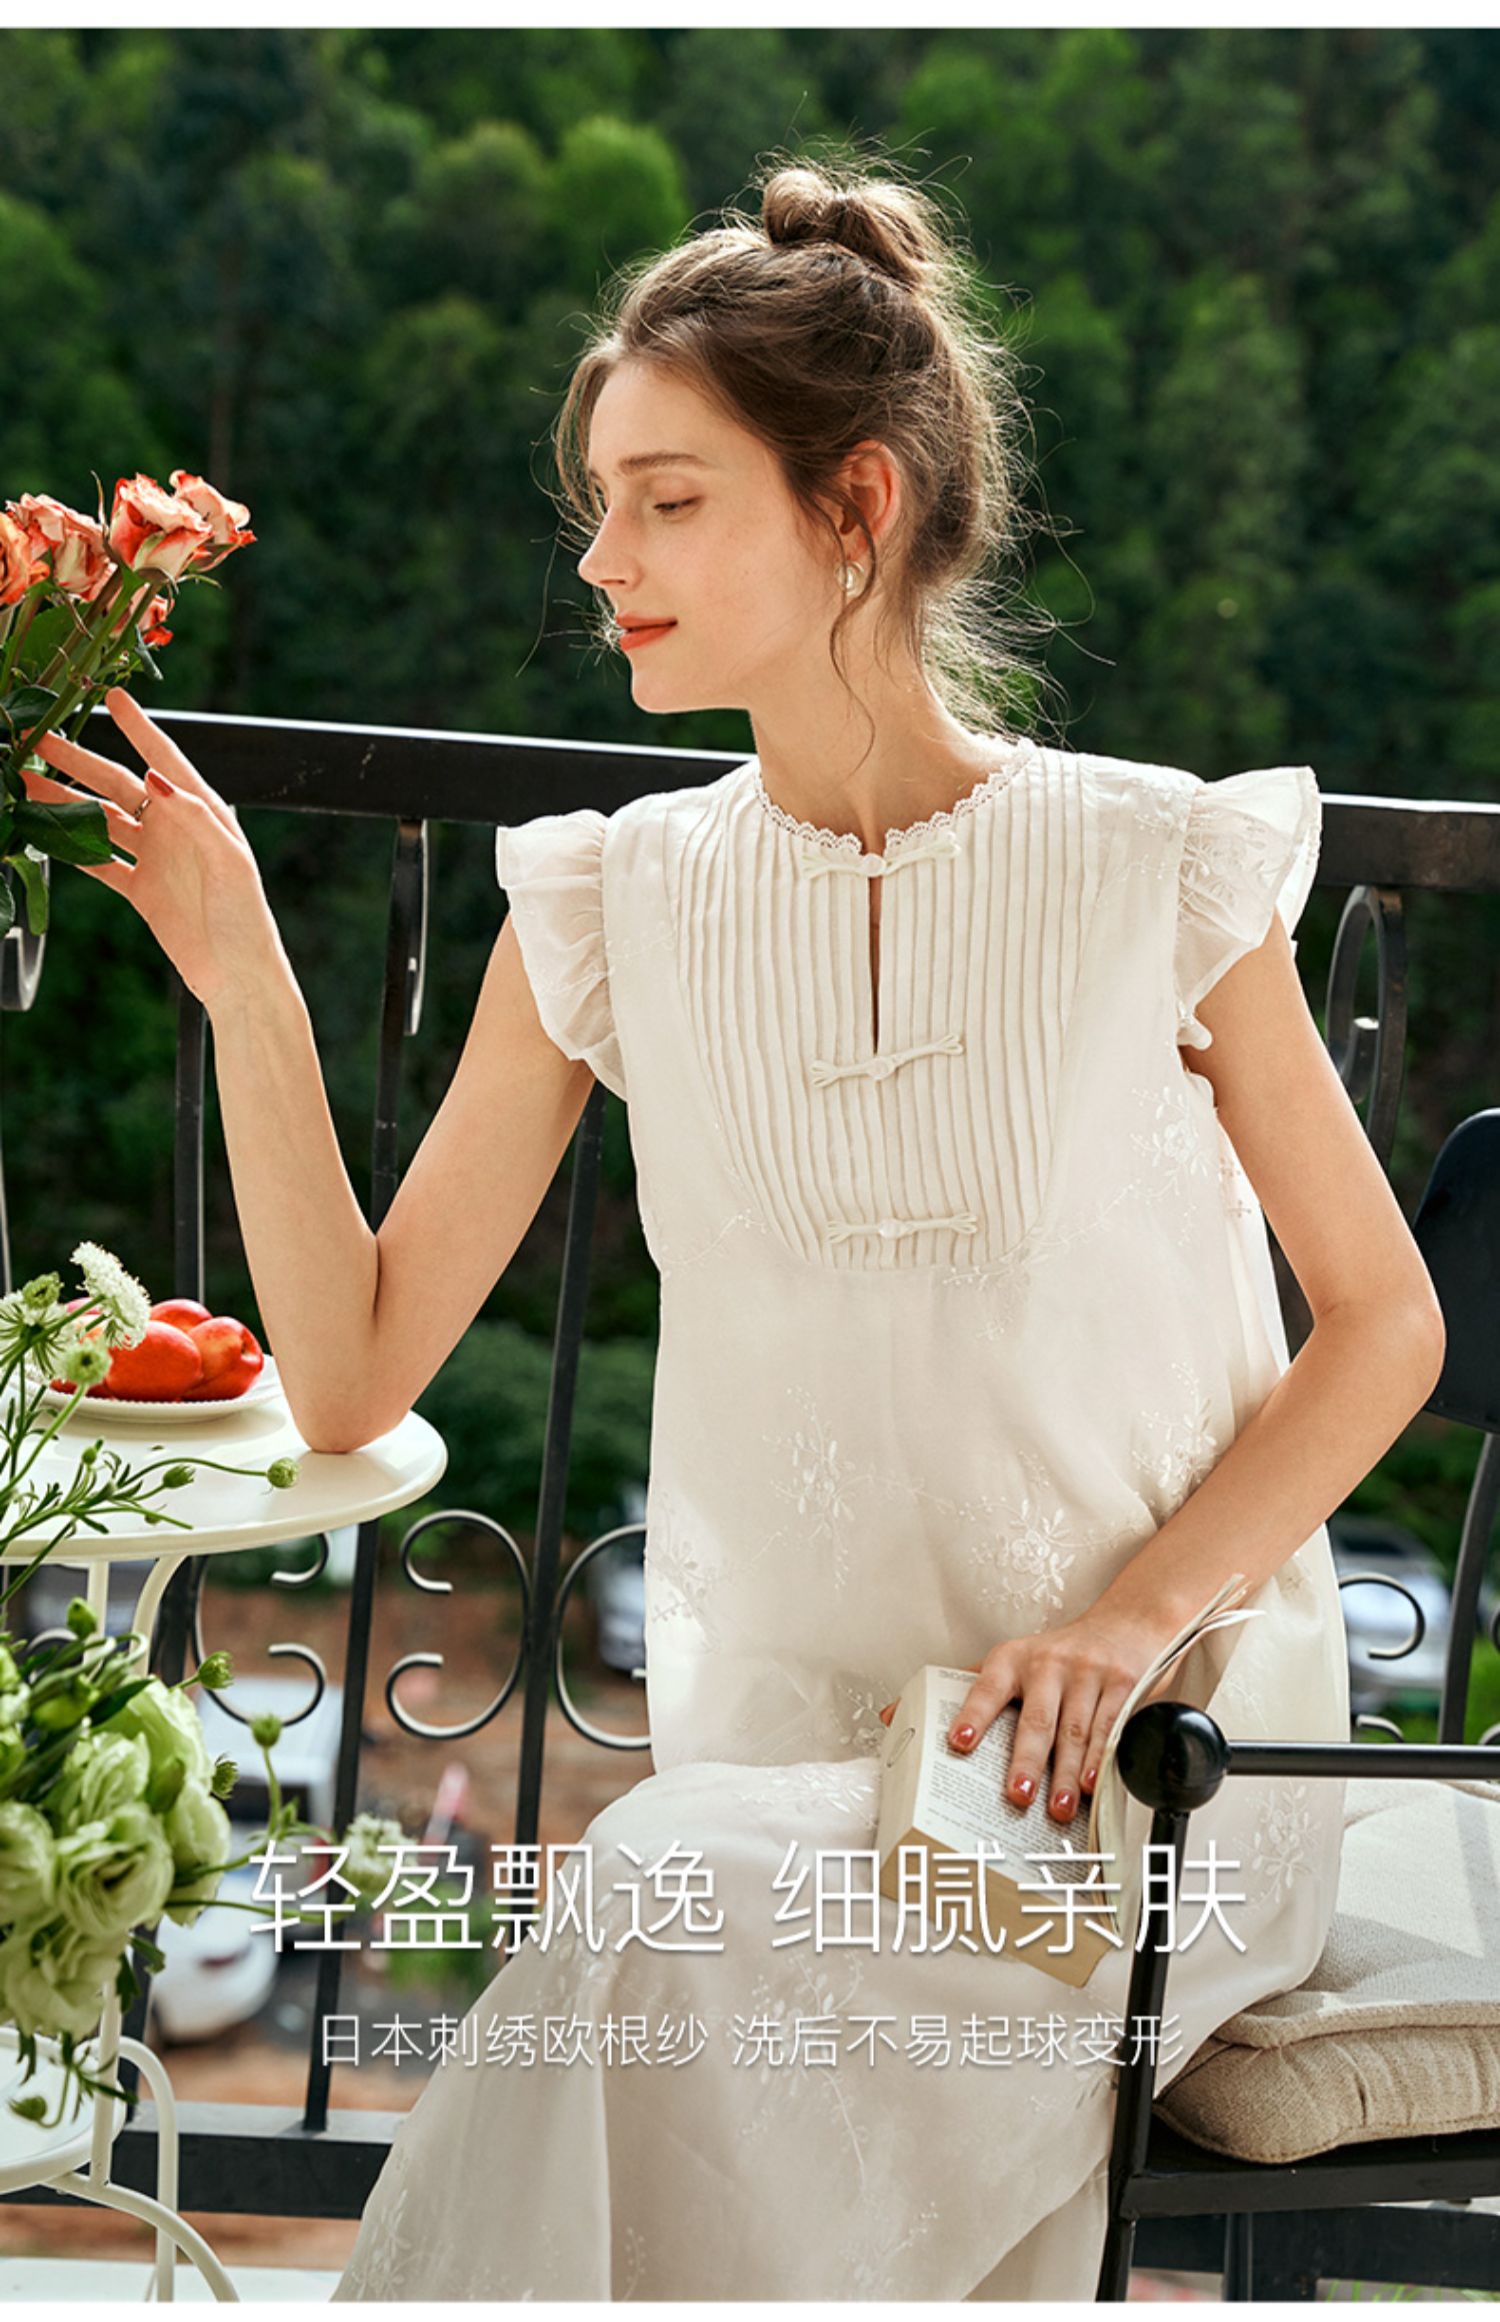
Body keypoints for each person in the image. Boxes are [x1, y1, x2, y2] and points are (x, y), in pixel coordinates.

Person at [29, 158, 1445, 2303]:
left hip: (1139, 1765)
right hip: (791, 1780)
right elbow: (350, 1368)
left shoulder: (1156, 868)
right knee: (664, 1924)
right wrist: (246, 985)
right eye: (598, 503)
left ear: (854, 506)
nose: (602, 559)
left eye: (667, 501)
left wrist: (1134, 1621)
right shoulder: (613, 902)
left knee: (637, 1915)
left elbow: (1383, 1324)